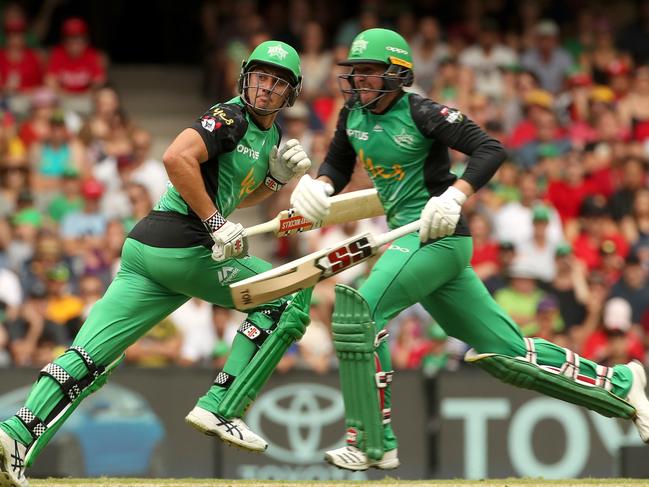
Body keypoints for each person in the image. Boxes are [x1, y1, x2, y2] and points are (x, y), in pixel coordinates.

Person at [289, 28, 649, 472]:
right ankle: (620, 384)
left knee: (359, 311)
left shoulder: (421, 112)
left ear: (398, 74)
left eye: (369, 71)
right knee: (508, 355)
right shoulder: (351, 116)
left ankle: (372, 442)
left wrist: (456, 194)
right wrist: (319, 186)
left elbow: (489, 148)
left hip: (440, 238)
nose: (358, 81)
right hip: (409, 240)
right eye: (355, 72)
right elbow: (338, 165)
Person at [0, 39, 313, 486]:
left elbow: (234, 192)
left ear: (291, 93)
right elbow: (175, 158)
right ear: (246, 77)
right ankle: (221, 405)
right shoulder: (230, 116)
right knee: (287, 296)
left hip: (150, 250)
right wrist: (215, 222)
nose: (265, 88)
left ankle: (14, 433)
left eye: (277, 82)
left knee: (90, 359)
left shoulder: (270, 137)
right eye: (261, 76)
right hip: (180, 243)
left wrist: (274, 180)